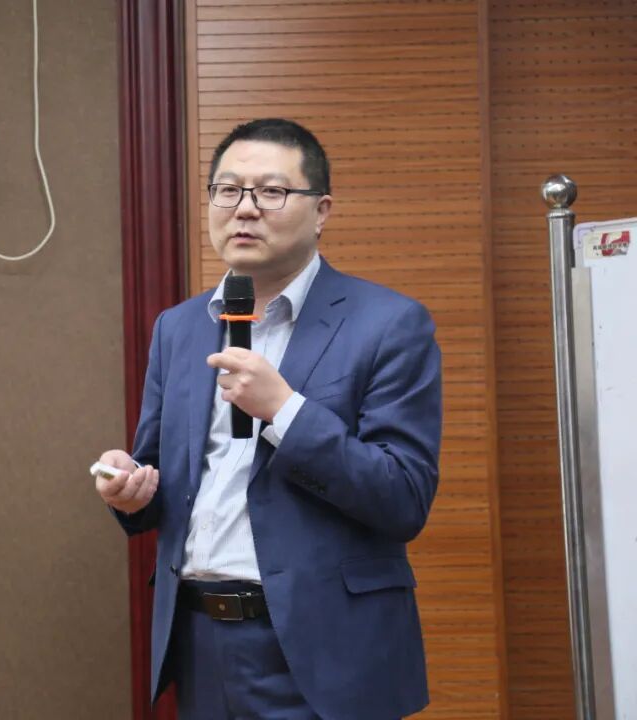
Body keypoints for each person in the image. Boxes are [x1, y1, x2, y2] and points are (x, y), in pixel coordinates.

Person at [94, 118, 442, 720]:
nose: (245, 208)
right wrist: (130, 489)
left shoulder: (389, 323)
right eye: (228, 190)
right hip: (199, 641)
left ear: (321, 210)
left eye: (272, 191)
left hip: (326, 649)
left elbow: (403, 497)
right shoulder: (178, 327)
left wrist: (285, 410)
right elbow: (163, 479)